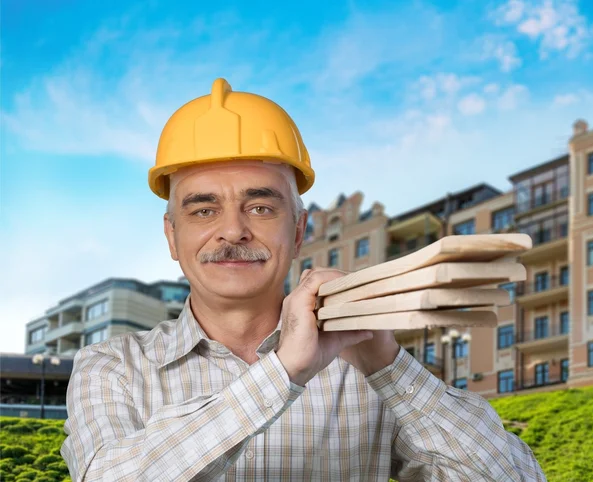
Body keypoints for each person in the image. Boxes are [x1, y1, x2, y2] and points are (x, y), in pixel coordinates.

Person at [60, 78, 546, 481]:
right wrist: (284, 371)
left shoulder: (365, 376)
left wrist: (386, 362)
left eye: (261, 207)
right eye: (204, 209)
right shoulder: (112, 367)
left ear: (297, 230)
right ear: (172, 236)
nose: (233, 230)